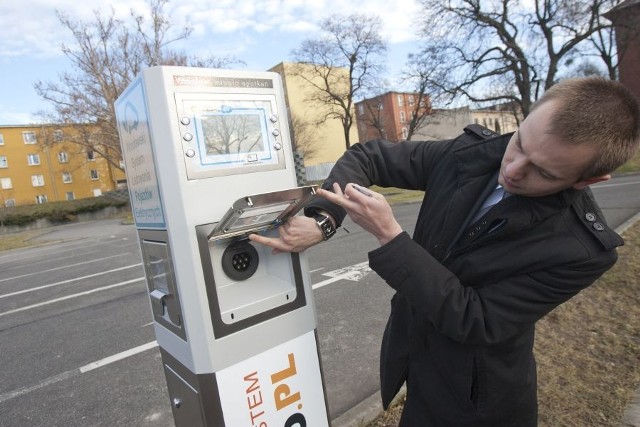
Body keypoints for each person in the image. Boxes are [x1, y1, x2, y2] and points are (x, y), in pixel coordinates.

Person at [249, 77, 640, 426]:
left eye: (545, 172)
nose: (513, 169)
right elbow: (368, 157)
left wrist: (391, 237)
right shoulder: (471, 156)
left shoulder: (580, 250)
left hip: (477, 399)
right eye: (519, 142)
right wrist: (324, 220)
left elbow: (476, 319)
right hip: (416, 360)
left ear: (587, 179)